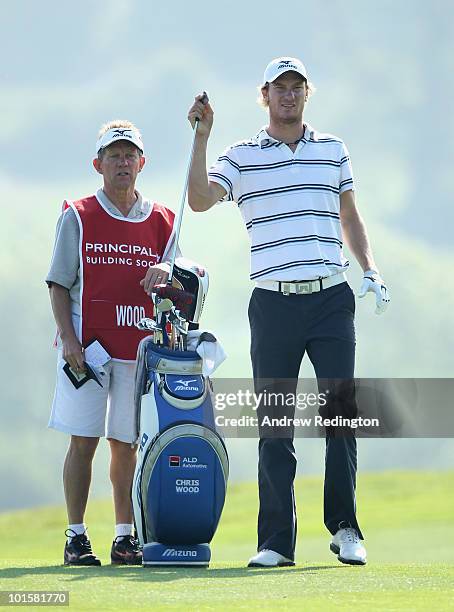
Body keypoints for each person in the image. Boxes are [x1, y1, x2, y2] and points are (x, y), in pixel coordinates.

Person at [187, 57, 390, 568]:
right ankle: (276, 542)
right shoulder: (241, 155)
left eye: (297, 87)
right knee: (275, 423)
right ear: (265, 95)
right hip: (274, 301)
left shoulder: (332, 149)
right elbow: (198, 200)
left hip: (330, 297)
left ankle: (345, 528)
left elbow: (349, 212)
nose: (289, 96)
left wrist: (370, 268)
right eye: (280, 88)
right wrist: (201, 138)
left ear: (306, 94)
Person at [46, 120, 174, 566]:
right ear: (98, 164)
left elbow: (178, 289)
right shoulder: (78, 215)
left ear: (142, 163)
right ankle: (76, 536)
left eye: (130, 155)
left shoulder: (162, 219)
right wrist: (67, 339)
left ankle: (125, 536)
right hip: (87, 349)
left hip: (135, 353)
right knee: (84, 440)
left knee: (126, 443)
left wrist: (170, 274)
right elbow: (59, 283)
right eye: (114, 155)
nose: (123, 162)